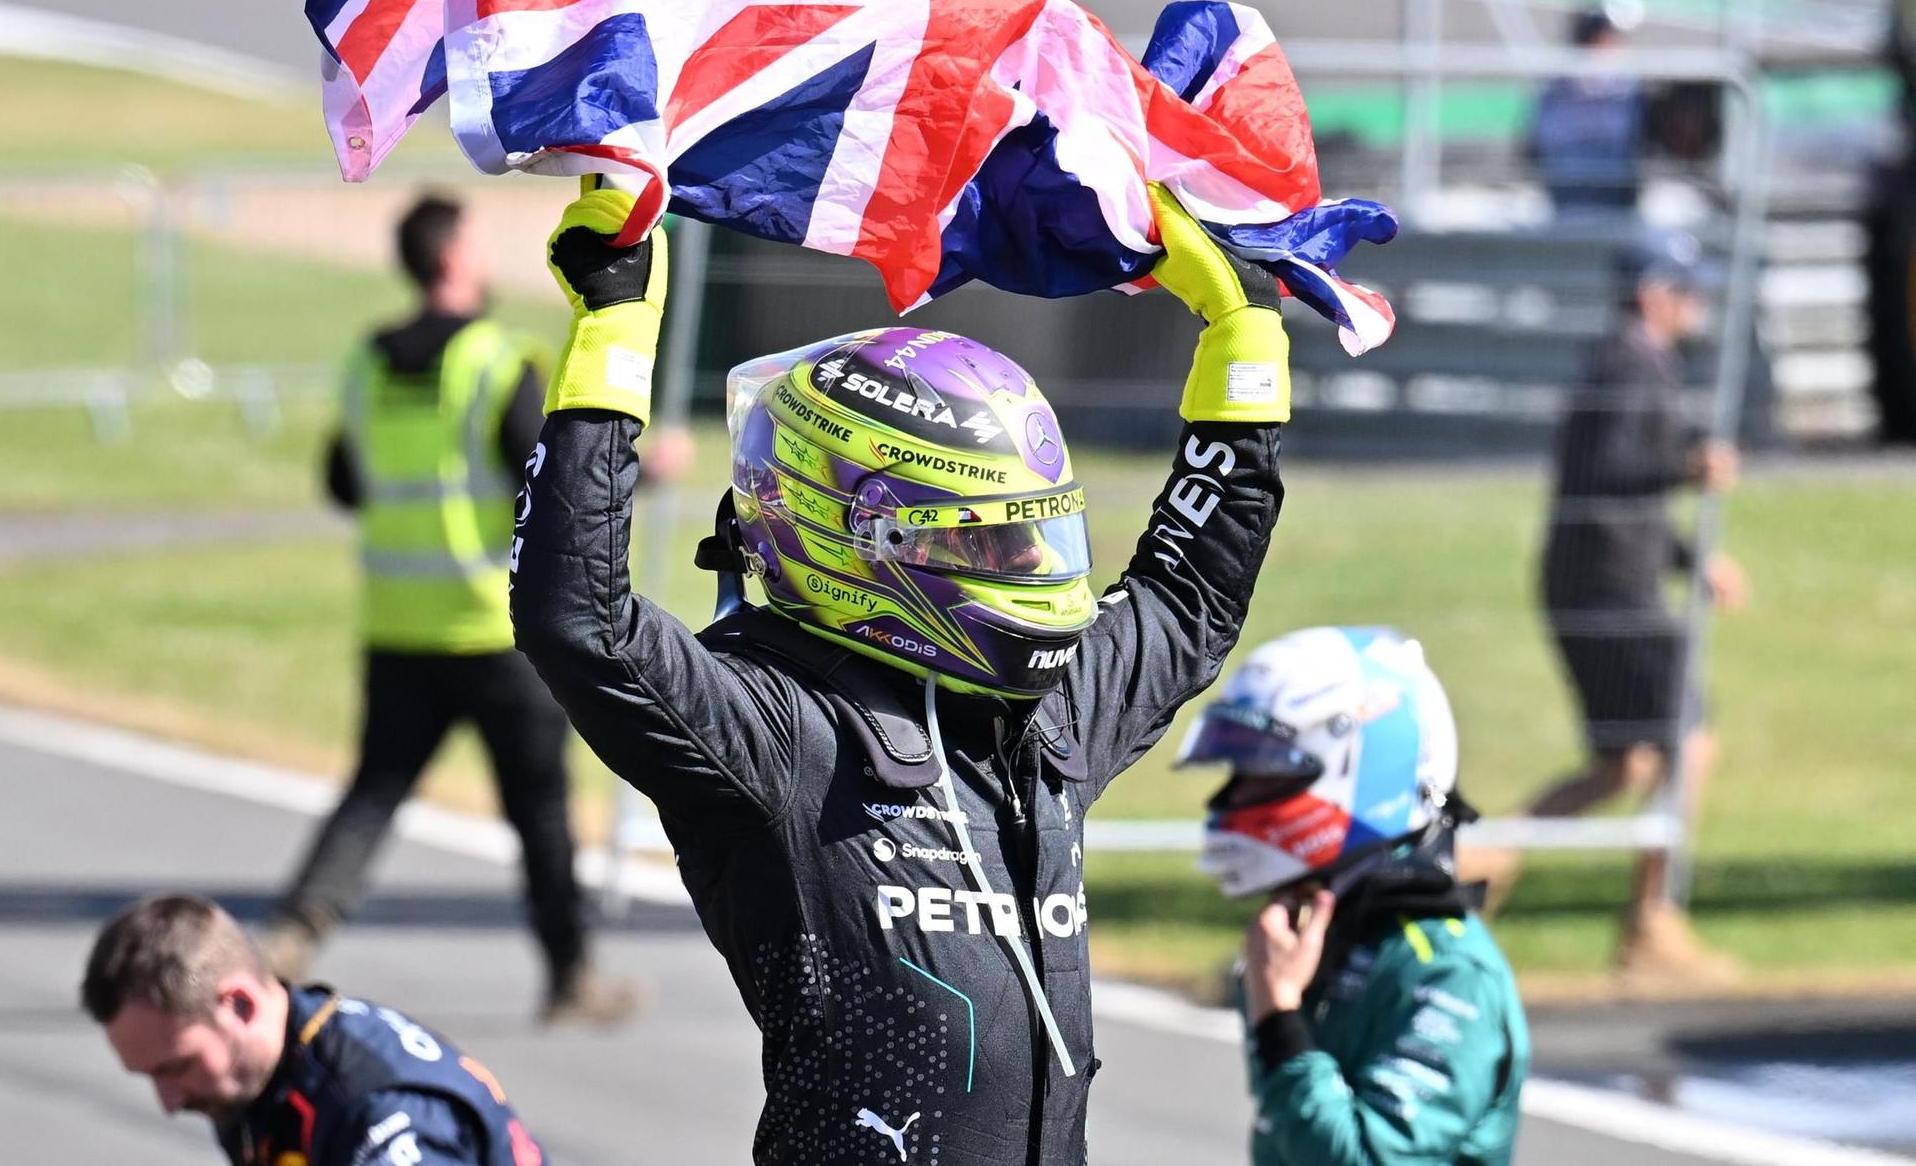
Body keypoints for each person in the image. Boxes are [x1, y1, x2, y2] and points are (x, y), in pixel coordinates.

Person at [507, 179, 1292, 1164]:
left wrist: (1242, 337)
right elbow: (580, 622)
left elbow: (1188, 600)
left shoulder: (1044, 715)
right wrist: (613, 333)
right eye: (992, 544)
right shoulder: (780, 728)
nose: (1031, 571)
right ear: (861, 539)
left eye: (1038, 536)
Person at [264, 193, 632, 1024]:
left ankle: (293, 931)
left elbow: (343, 481)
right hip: (496, 633)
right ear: (454, 257)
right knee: (539, 808)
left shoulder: (366, 362)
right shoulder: (496, 362)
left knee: (374, 790)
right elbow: (551, 476)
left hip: (399, 624)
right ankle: (571, 975)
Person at [1178, 626, 1529, 1166]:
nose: (1234, 799)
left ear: (1367, 769)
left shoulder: (1449, 972)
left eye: (1261, 774)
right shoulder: (1316, 933)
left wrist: (1279, 1018)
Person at [1504, 232, 1749, 978]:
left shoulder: (1639, 361)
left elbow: (1614, 491)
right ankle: (1652, 921)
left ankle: (1473, 867)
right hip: (1609, 590)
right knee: (1689, 741)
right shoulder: (1627, 362)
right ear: (1651, 293)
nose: (1695, 304)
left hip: (1605, 581)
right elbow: (1606, 469)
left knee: (1625, 764)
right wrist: (1688, 464)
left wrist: (1690, 559)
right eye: (1684, 288)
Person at [82, 895, 546, 1166]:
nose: (169, 1101)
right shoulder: (265, 1076)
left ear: (240, 1004)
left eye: (177, 1067)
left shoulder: (377, 1114)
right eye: (150, 1076)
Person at [1527, 0, 1647, 219]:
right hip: (1569, 193)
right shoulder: (1557, 86)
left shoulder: (1628, 86)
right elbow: (1541, 142)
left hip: (1617, 193)